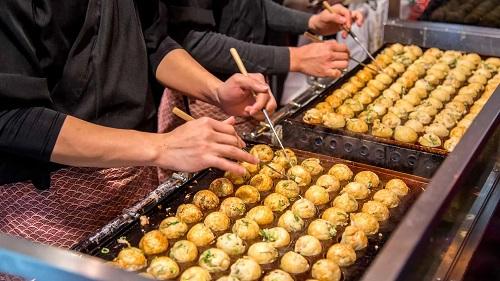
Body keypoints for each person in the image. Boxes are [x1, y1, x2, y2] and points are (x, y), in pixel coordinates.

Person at [0, 0, 275, 248]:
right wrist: (164, 146)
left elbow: (152, 42)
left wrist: (216, 92)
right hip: (49, 198)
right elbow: (11, 115)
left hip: (136, 167)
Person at [165, 0, 363, 132]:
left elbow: (253, 6)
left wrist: (311, 22)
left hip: (254, 79)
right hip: (207, 92)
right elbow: (193, 40)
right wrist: (294, 58)